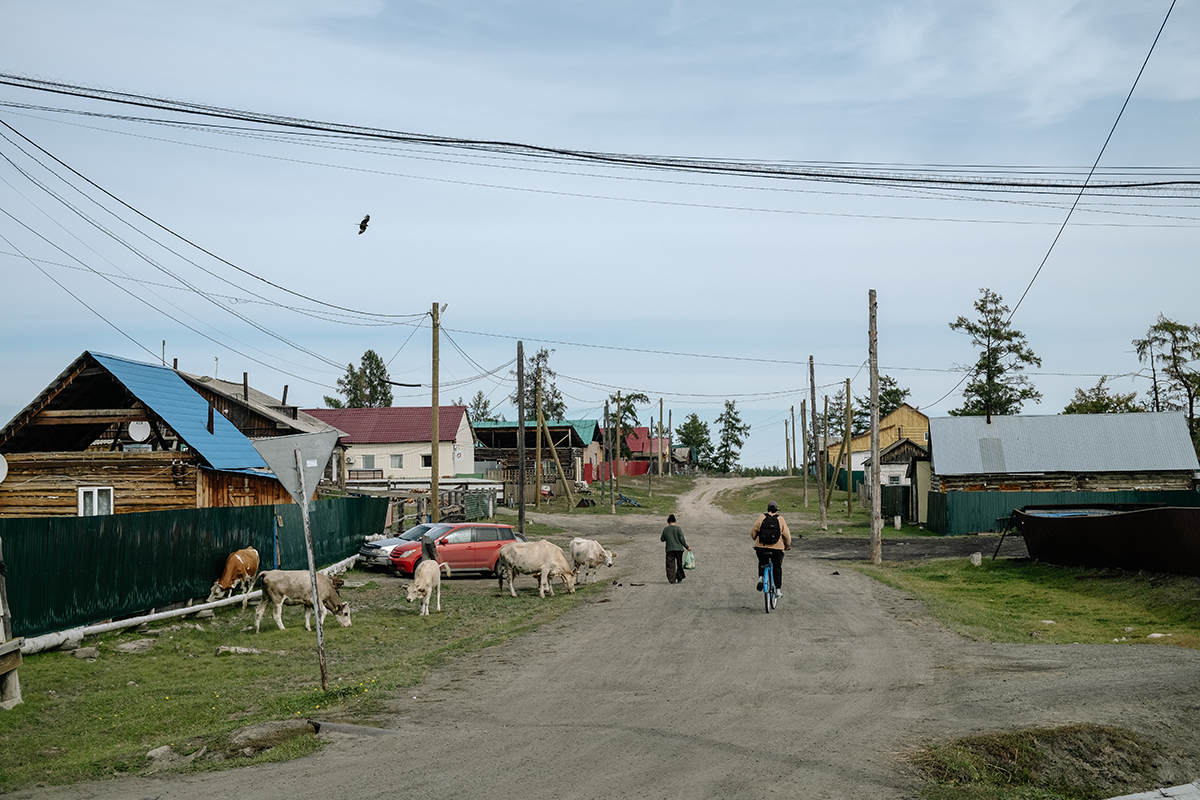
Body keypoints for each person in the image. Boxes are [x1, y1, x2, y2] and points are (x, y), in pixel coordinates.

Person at [751, 500, 791, 598]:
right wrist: (787, 546)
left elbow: (753, 531)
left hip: (761, 547)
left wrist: (755, 538)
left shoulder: (762, 517)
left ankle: (761, 577)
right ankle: (778, 591)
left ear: (767, 509)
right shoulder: (780, 519)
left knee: (762, 562)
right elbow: (786, 535)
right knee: (777, 567)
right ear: (776, 510)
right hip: (777, 549)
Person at [660, 514, 690, 584]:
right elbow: (682, 539)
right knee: (679, 564)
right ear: (675, 521)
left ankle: (672, 580)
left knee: (670, 565)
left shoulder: (666, 529)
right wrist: (687, 547)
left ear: (668, 522)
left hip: (670, 550)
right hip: (679, 549)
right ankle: (679, 577)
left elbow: (662, 539)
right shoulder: (678, 528)